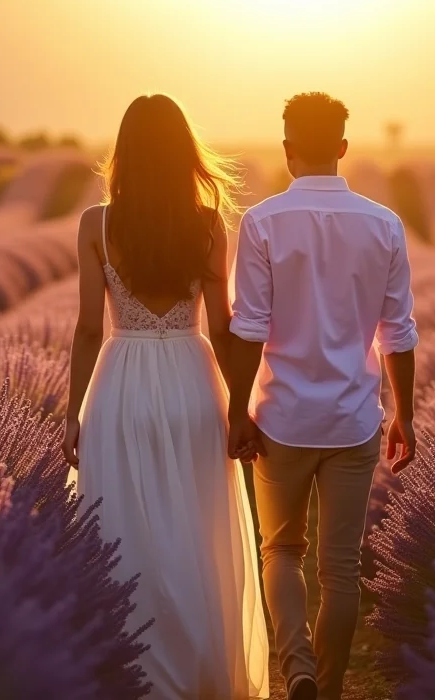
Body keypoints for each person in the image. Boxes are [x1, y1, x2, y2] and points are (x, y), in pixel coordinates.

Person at [62, 94, 269, 699]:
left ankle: (133, 674)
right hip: (191, 380)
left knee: (122, 531)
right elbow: (224, 327)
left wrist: (73, 415)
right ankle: (201, 668)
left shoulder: (96, 224)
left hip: (120, 385)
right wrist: (239, 410)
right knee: (197, 532)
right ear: (184, 153)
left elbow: (88, 329)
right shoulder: (208, 224)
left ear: (124, 151)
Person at [228, 92, 418, 700]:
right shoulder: (384, 224)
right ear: (342, 146)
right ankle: (329, 689)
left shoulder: (262, 222)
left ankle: (299, 670)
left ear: (287, 149)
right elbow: (397, 333)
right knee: (341, 570)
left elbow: (248, 328)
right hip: (354, 420)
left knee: (281, 551)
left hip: (281, 417)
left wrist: (237, 411)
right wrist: (405, 415)